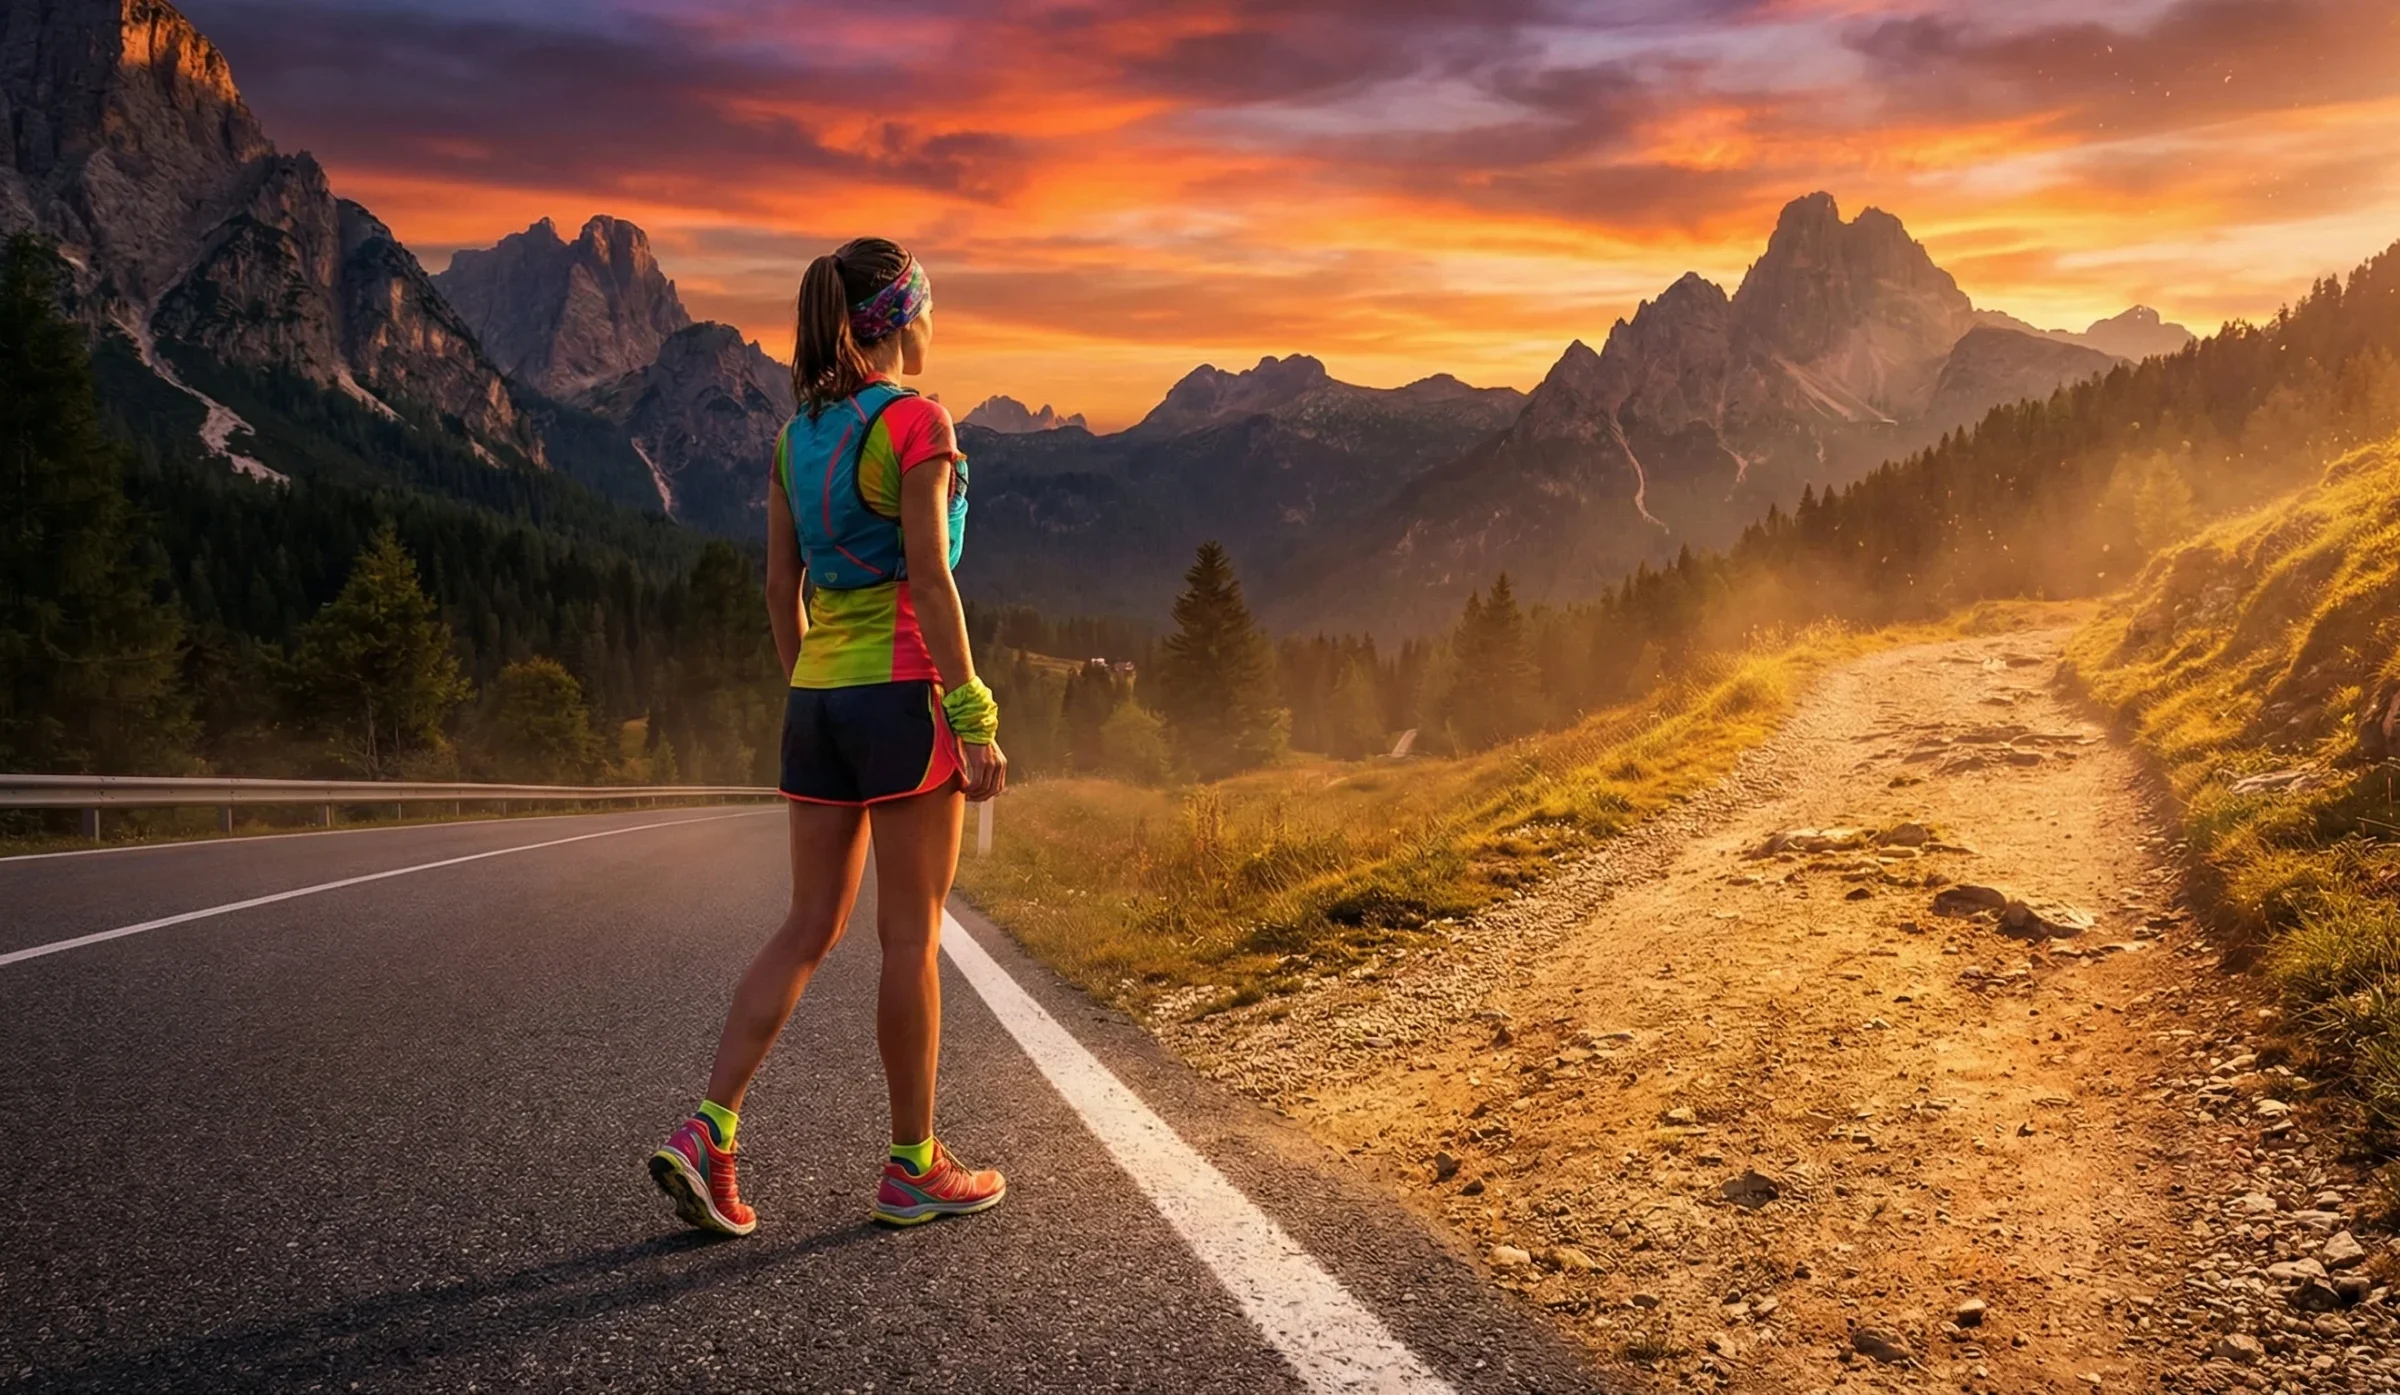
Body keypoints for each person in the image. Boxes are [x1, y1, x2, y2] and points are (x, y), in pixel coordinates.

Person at [650, 238, 1008, 1234]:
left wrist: (812, 690)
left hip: (815, 699)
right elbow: (932, 582)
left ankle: (708, 1128)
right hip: (901, 694)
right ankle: (912, 1168)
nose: (935, 326)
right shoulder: (917, 424)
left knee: (807, 927)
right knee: (908, 937)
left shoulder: (791, 439)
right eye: (929, 308)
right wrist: (971, 713)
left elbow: (780, 588)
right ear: (897, 318)